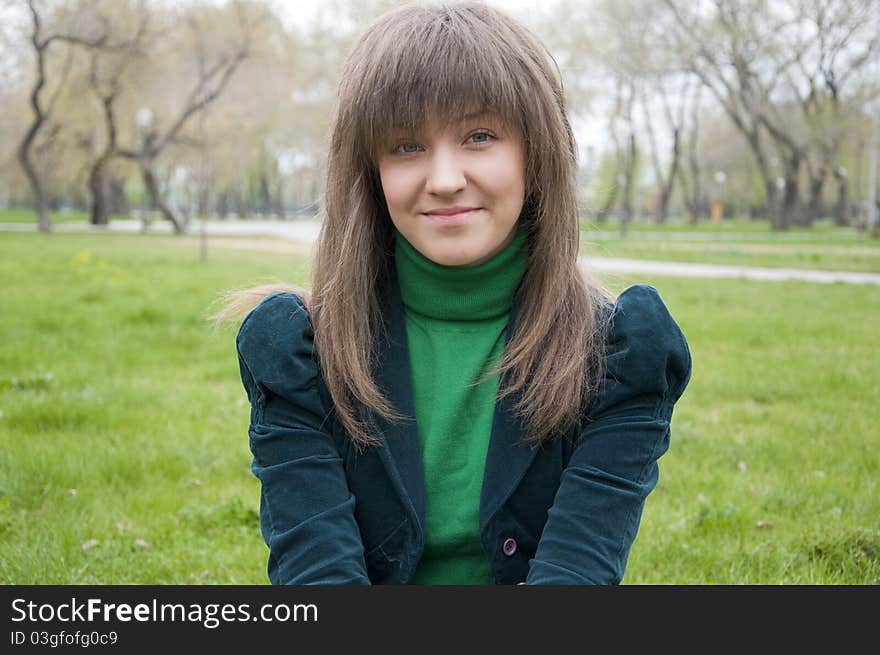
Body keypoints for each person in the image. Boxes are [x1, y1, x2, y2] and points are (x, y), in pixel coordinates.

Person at [220, 1, 692, 585]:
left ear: (535, 152)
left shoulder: (621, 354)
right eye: (406, 146)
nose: (444, 180)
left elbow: (578, 571)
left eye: (479, 136)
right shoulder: (297, 352)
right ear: (371, 172)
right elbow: (318, 575)